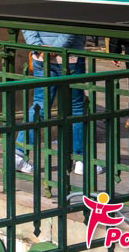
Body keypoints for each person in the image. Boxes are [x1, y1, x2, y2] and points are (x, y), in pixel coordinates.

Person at [16, 30, 103, 176]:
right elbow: (70, 24)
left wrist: (39, 47)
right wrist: (54, 49)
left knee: (39, 106)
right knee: (76, 107)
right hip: (70, 56)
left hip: (40, 56)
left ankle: (18, 153)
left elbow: (26, 24)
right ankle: (81, 159)